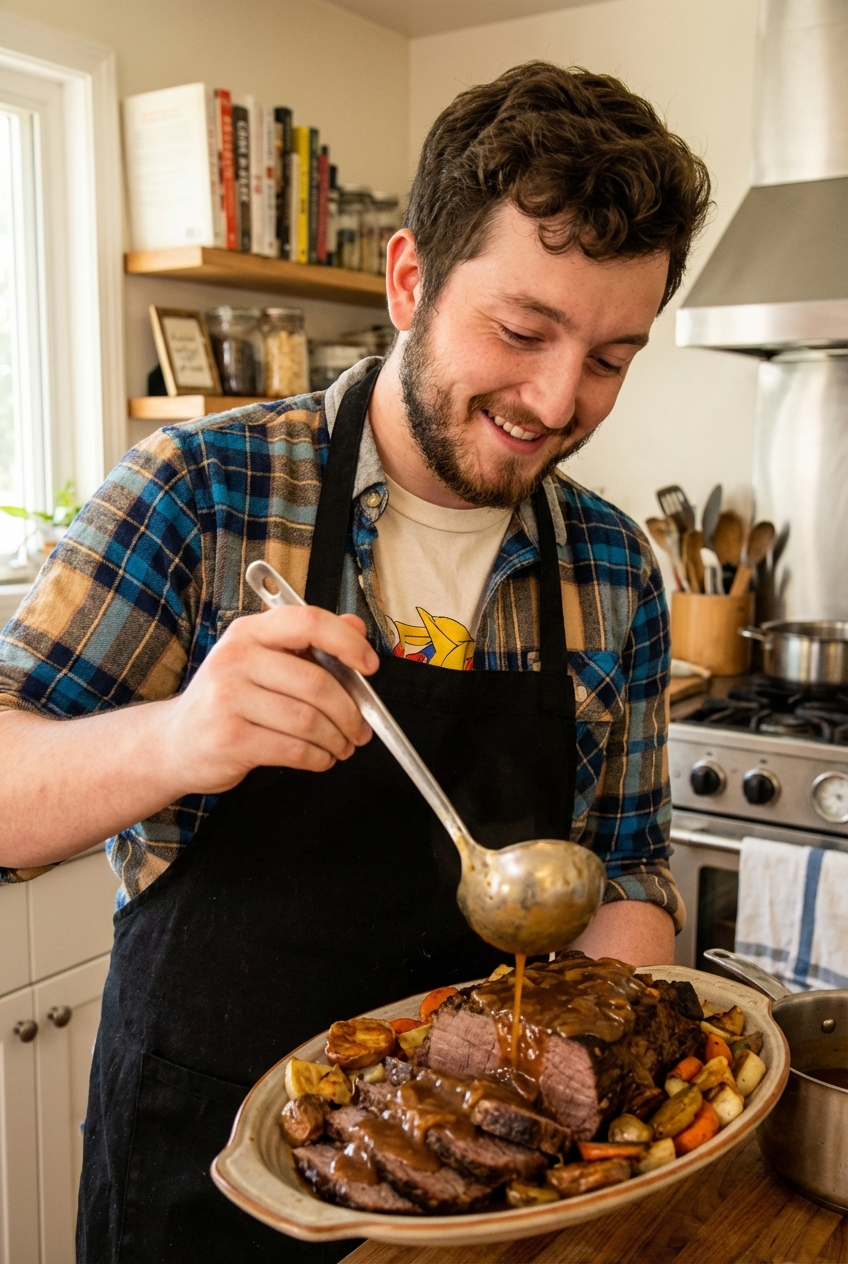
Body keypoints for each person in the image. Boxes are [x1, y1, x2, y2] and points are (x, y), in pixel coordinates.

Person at [0, 62, 710, 1264]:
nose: (555, 399)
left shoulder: (612, 568)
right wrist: (175, 739)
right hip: (202, 1171)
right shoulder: (200, 495)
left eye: (608, 357)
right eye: (522, 330)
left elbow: (628, 861)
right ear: (407, 278)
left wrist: (619, 1004)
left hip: (496, 1177)